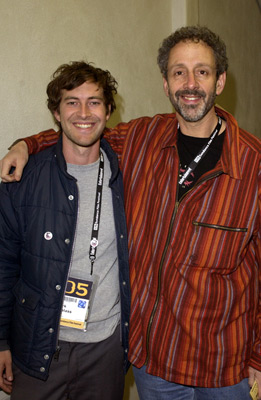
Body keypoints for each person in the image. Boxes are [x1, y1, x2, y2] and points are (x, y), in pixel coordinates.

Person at [1, 26, 260, 399]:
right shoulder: (143, 138)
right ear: (166, 85)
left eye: (201, 71)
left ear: (219, 82)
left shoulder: (253, 165)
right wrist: (25, 145)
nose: (189, 83)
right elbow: (83, 134)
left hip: (224, 367)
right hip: (154, 363)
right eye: (178, 72)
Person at [0, 61, 130, 400]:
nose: (83, 112)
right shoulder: (23, 180)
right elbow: (3, 266)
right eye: (72, 102)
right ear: (56, 112)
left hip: (106, 350)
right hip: (37, 346)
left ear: (109, 110)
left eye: (95, 102)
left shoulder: (129, 176)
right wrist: (0, 343)